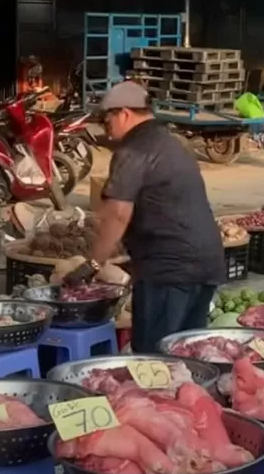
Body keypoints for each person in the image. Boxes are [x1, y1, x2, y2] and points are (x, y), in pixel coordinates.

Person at [65, 81, 226, 353]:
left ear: (124, 114)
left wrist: (92, 264)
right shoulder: (173, 143)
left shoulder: (132, 151)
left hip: (169, 270)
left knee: (155, 357)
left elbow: (118, 214)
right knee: (187, 353)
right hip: (206, 262)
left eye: (107, 120)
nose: (106, 128)